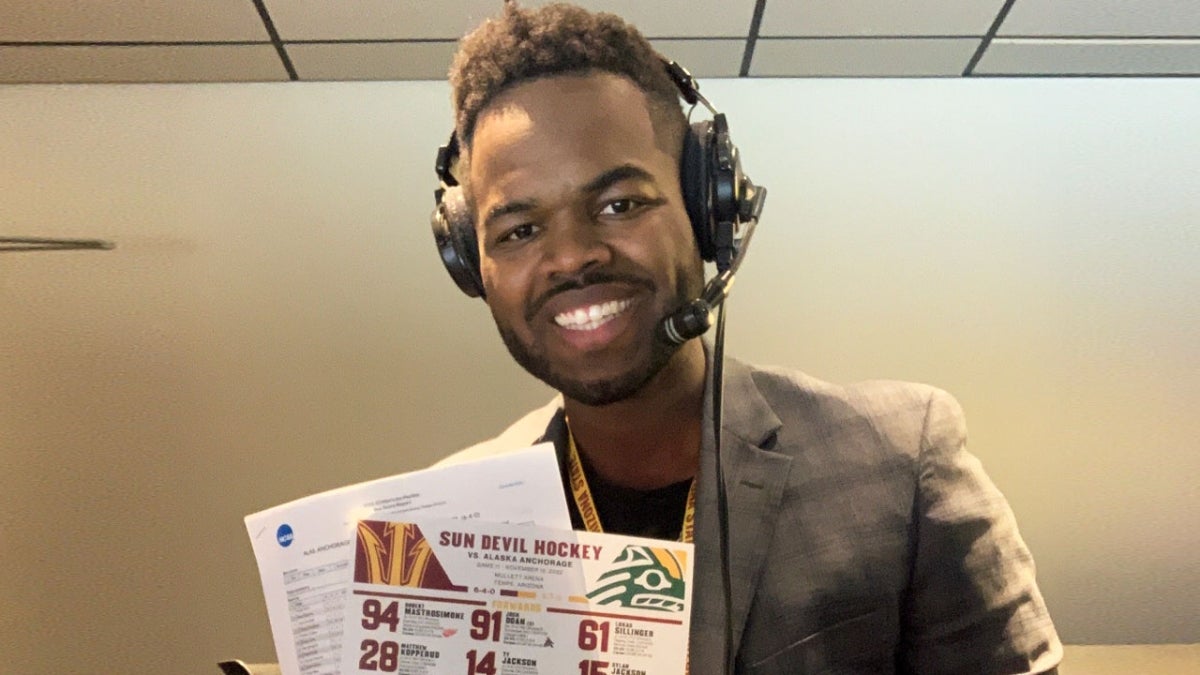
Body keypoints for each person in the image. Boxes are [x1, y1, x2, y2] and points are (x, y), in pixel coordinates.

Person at [433, 3, 1062, 673]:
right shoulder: (447, 517)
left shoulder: (902, 459)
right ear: (473, 266)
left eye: (619, 204)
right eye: (519, 231)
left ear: (711, 210)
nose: (571, 256)